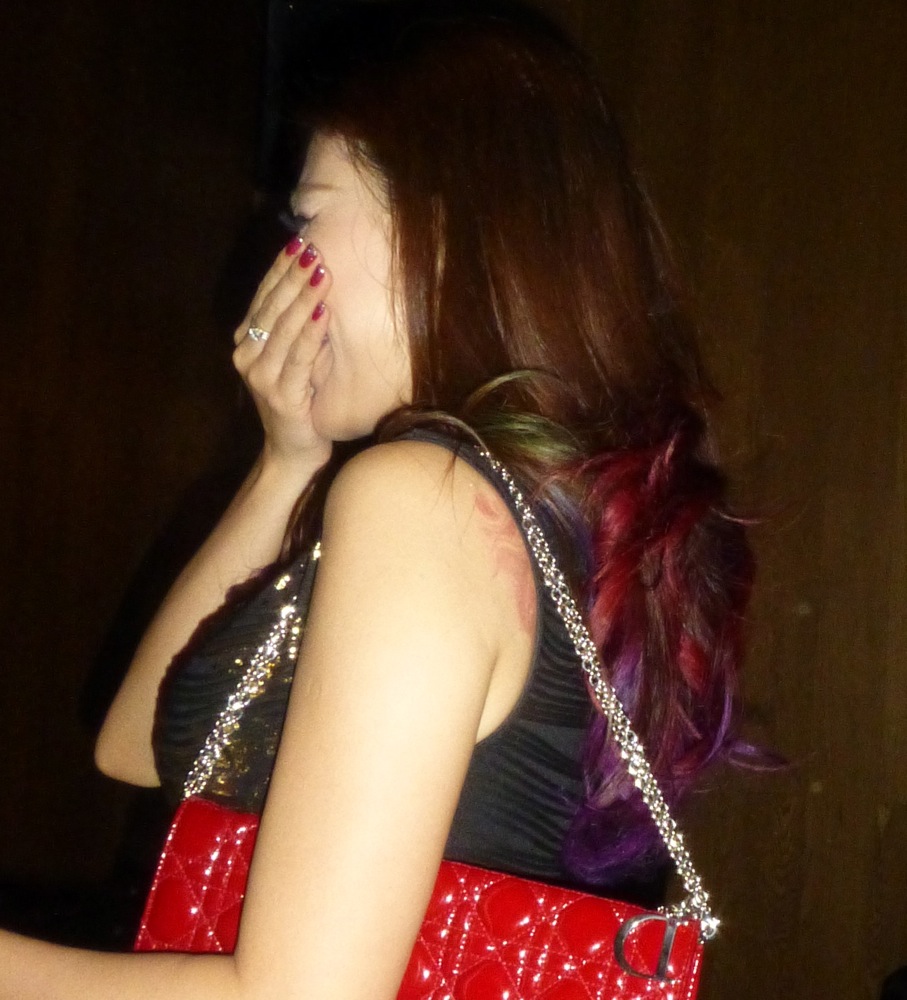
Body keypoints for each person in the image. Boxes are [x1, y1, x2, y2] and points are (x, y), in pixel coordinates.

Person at [0, 1, 755, 997]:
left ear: (438, 229)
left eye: (308, 216)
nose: (286, 262)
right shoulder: (541, 501)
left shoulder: (423, 501)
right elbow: (138, 746)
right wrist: (286, 462)